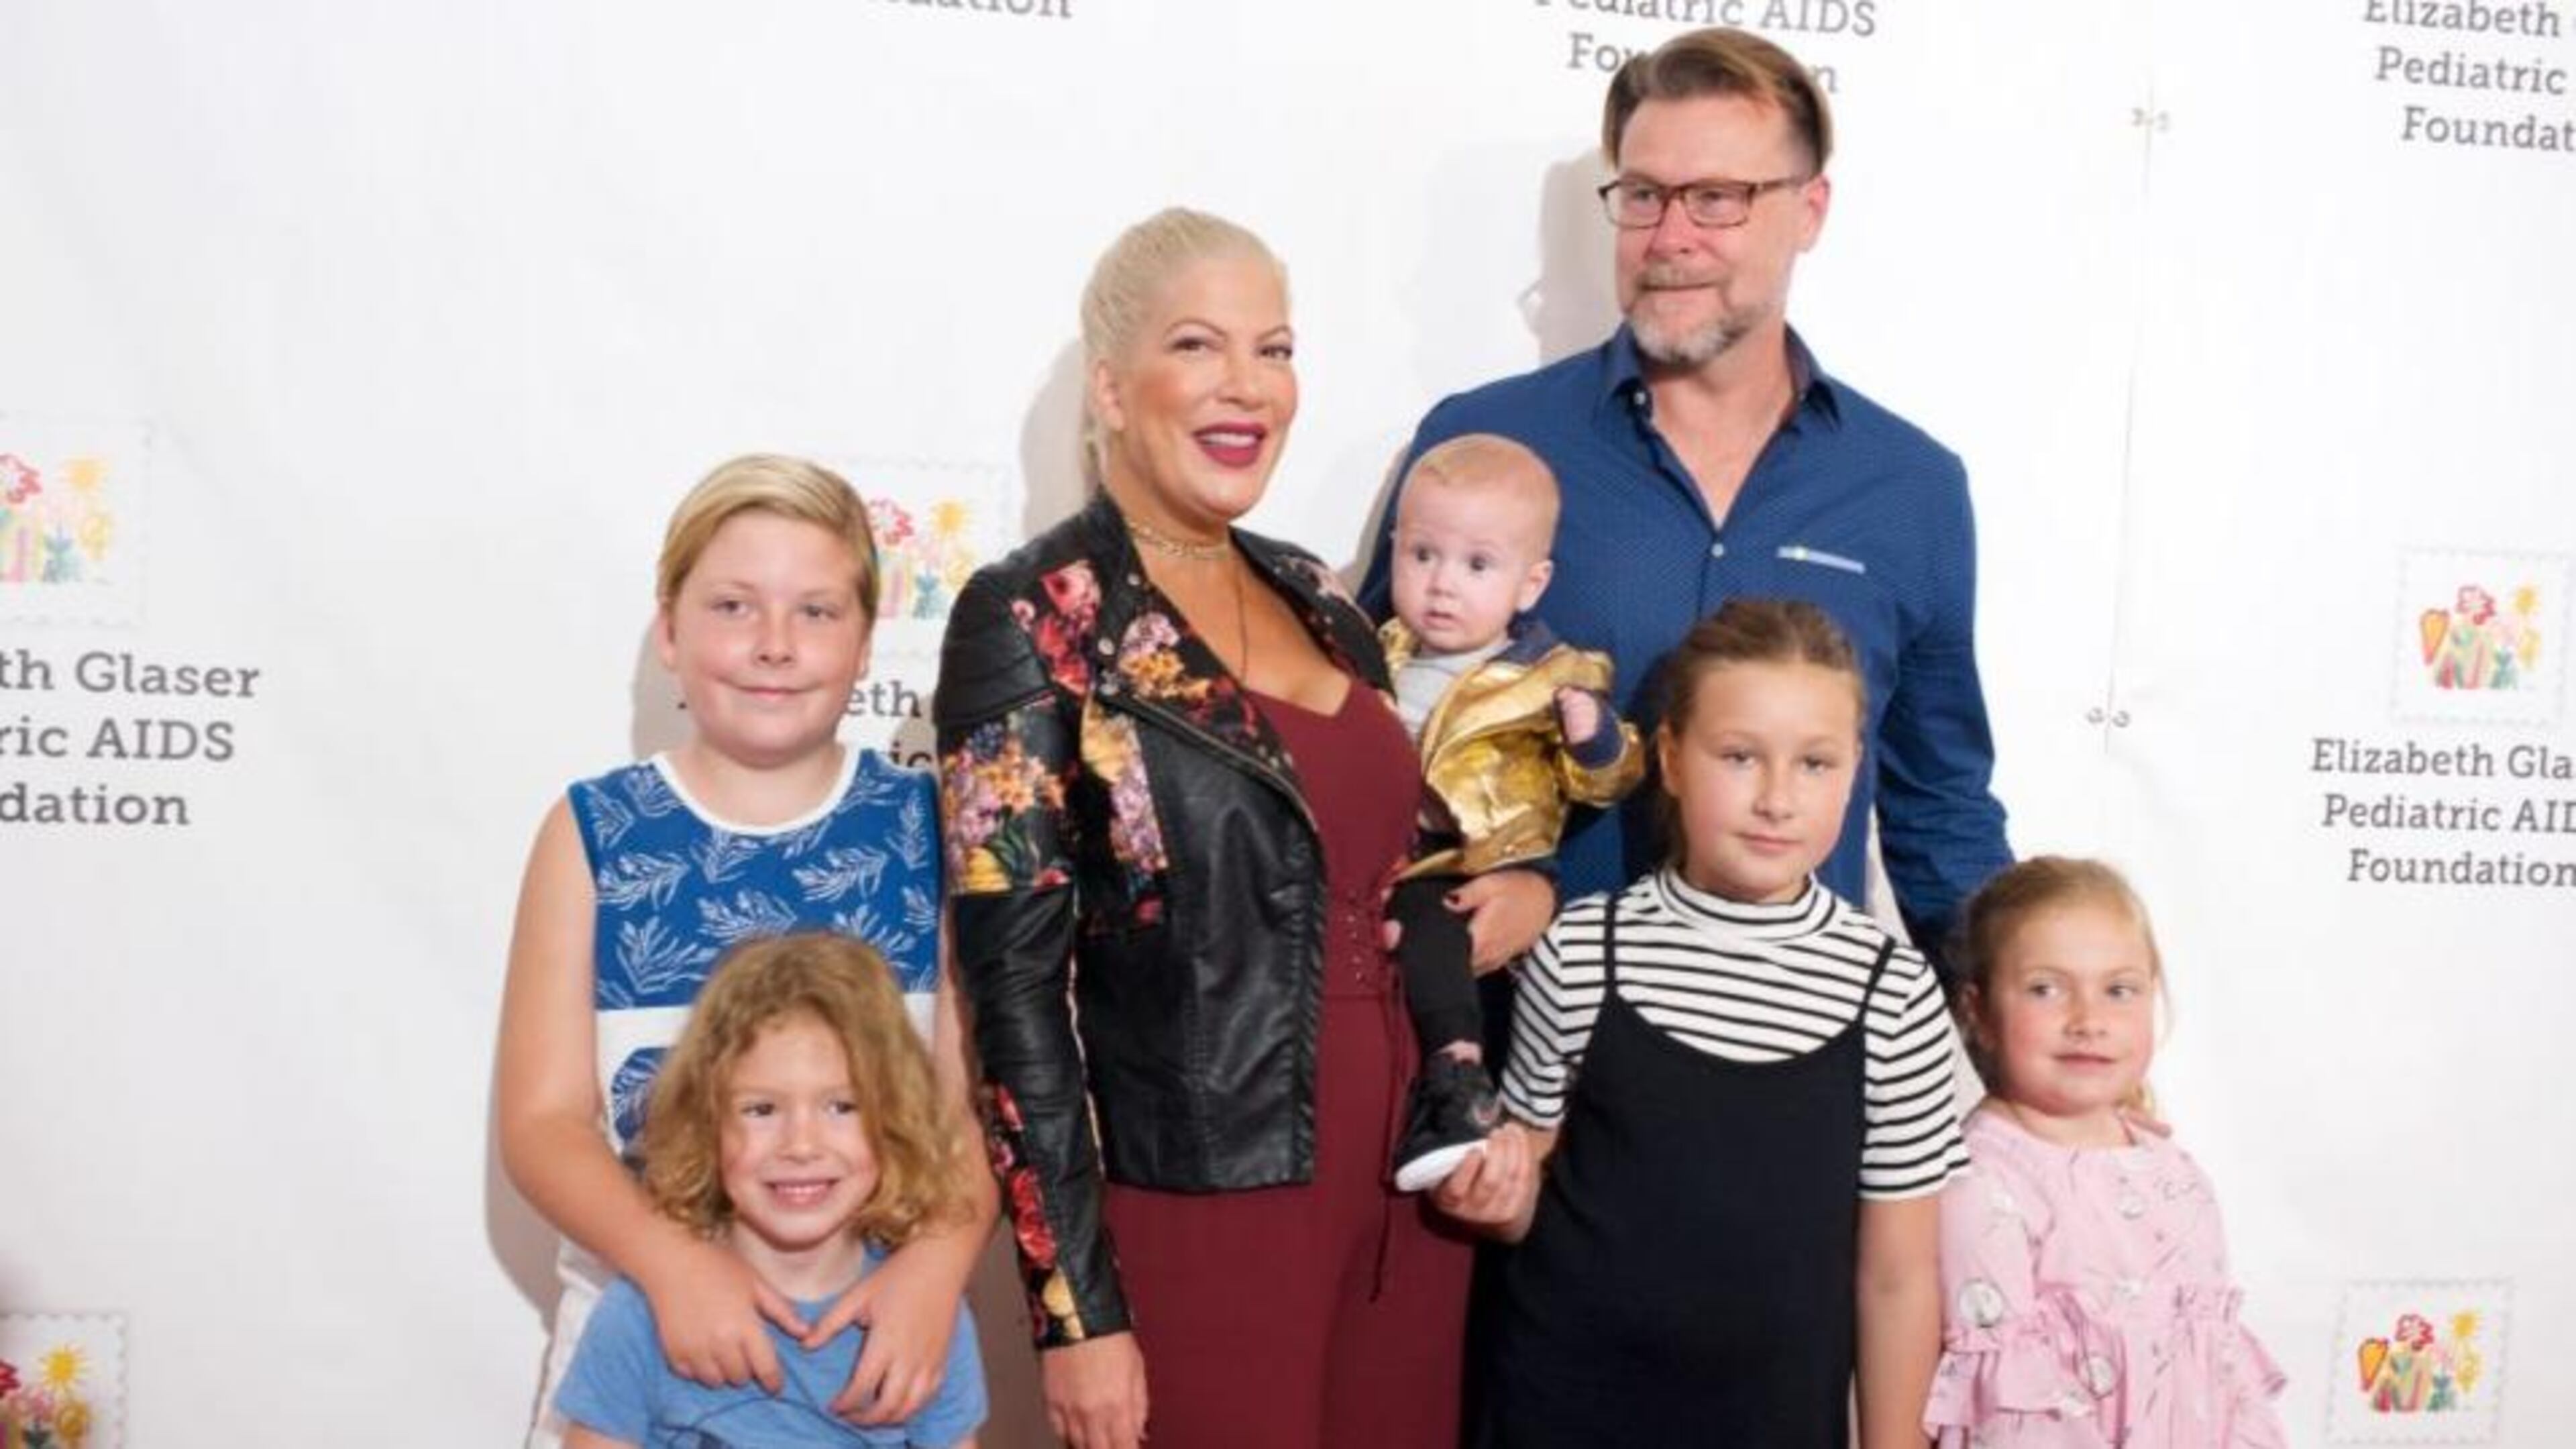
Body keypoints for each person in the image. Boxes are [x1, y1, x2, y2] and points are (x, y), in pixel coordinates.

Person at [934, 208, 1546, 1449]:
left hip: (1412, 1207)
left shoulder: (1322, 596)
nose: (1247, 387)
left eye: (1275, 349)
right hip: (1202, 1213)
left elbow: (1396, 864)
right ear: (1111, 385)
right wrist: (1073, 1312)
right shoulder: (1033, 618)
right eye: (1201, 346)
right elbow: (1014, 1002)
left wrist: (1512, 902)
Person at [1366, 25, 2011, 975]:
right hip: (1517, 1064)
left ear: (1810, 210)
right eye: (1643, 196)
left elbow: (1938, 811)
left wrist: (2032, 1043)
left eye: (1718, 199)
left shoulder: (1910, 489)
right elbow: (1368, 736)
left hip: (1784, 1065)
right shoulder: (1486, 448)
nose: (1670, 239)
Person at [498, 455, 996, 1448]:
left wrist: (936, 1268)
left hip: (875, 1353)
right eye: (733, 606)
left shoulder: (932, 830)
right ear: (669, 630)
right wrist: (675, 1268)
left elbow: (970, 1108)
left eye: (815, 612)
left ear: (864, 640)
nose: (775, 646)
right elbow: (544, 1123)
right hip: (644, 1347)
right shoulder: (594, 831)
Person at [1436, 599, 1966, 1448]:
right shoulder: (1583, 948)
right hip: (1562, 1402)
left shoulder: (1892, 990)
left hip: (1773, 1419)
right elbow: (1527, 1187)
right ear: (1673, 759)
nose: (1778, 799)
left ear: (1857, 768)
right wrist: (1490, 1198)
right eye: (1740, 756)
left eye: (1816, 764)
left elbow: (1900, 1277)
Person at [556, 932, 988, 1448]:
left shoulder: (927, 1320)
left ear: (894, 1119)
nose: (801, 1145)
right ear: (706, 1124)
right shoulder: (639, 1315)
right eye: (761, 1110)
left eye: (841, 1107)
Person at [1923, 858, 2287, 1446]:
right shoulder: (1983, 1182)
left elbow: (2225, 1380)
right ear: (1979, 1013)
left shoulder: (2173, 1170)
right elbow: (2012, 1418)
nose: (2089, 1020)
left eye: (2119, 990)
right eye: (2046, 989)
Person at [1375, 431, 1643, 1192]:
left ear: (1531, 584)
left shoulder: (1548, 676)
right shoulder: (1373, 653)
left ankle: (1458, 1082)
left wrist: (1592, 740)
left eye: (1478, 565)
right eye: (1422, 554)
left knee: (1432, 935)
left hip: (1486, 863)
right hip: (1387, 855)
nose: (1442, 586)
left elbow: (1611, 779)